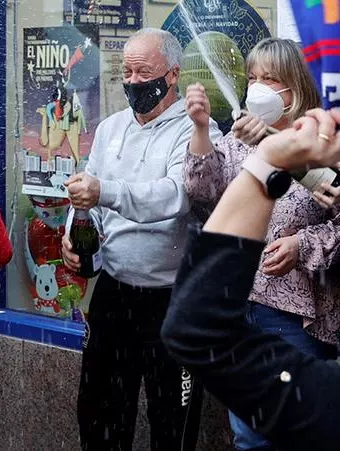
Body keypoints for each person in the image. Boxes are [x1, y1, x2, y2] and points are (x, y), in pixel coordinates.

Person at [60, 27, 214, 451]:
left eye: (143, 72)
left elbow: (176, 195)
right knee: (99, 415)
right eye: (126, 72)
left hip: (173, 299)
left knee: (172, 423)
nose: (132, 81)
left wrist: (104, 192)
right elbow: (88, 197)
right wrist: (74, 230)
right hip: (114, 292)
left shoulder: (197, 131)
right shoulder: (110, 129)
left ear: (173, 74)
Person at [182, 38, 340, 450]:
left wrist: (301, 245)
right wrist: (201, 128)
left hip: (294, 317)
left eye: (269, 78)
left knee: (297, 429)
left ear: (295, 85)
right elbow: (201, 192)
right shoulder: (239, 140)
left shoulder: (323, 144)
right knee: (249, 434)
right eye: (252, 78)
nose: (257, 88)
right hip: (241, 304)